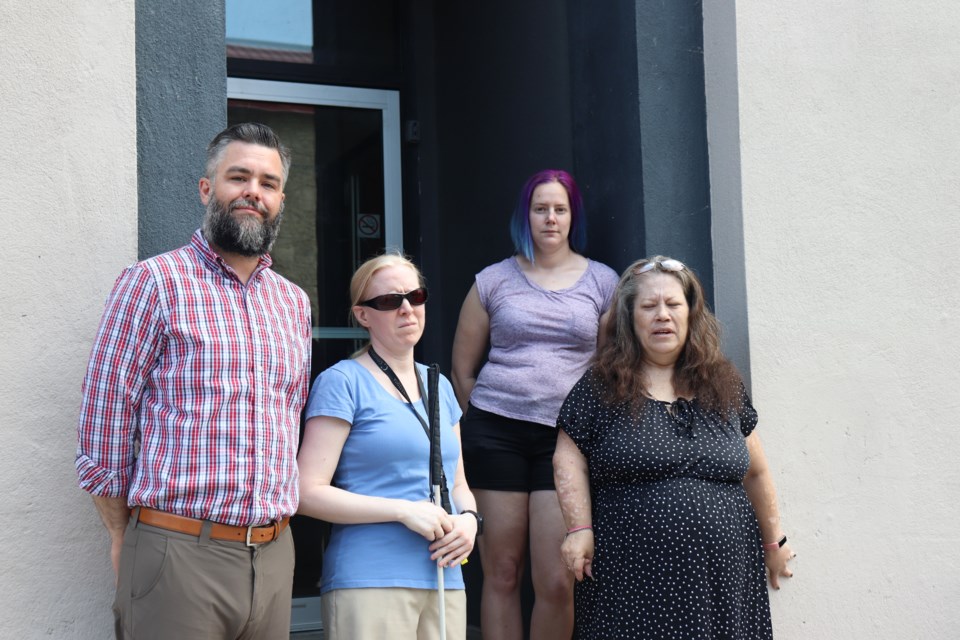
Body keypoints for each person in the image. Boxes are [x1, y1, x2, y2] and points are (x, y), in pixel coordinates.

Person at [76, 123, 312, 640]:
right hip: (177, 553)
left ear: (281, 199)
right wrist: (123, 536)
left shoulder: (293, 303)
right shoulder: (152, 283)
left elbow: (289, 417)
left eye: (268, 183)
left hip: (275, 556)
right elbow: (104, 426)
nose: (254, 192)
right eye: (239, 177)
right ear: (207, 189)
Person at [553, 256, 796, 639]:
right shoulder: (601, 385)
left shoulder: (724, 384)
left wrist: (774, 541)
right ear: (630, 320)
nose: (661, 315)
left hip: (723, 578)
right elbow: (568, 456)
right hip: (630, 579)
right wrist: (578, 528)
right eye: (649, 306)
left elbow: (756, 470)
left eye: (673, 305)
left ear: (691, 314)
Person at [451, 169, 619, 639]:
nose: (550, 218)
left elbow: (609, 369)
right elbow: (462, 370)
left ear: (572, 217)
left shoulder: (603, 282)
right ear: (525, 216)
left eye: (559, 209)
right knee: (501, 573)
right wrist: (483, 420)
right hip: (496, 435)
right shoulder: (493, 281)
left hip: (564, 443)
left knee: (556, 579)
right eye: (540, 208)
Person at [297, 253, 479, 640]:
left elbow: (459, 484)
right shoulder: (342, 382)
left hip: (444, 577)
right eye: (389, 301)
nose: (406, 309)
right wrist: (402, 511)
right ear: (363, 315)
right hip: (369, 577)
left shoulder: (440, 386)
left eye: (415, 296)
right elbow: (306, 492)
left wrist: (470, 522)